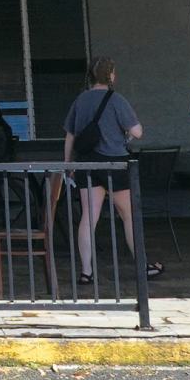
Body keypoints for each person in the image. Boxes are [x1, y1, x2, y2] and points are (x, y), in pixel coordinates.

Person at [62, 57, 163, 283]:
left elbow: (70, 135)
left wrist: (68, 164)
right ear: (111, 76)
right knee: (128, 215)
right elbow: (137, 132)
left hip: (87, 165)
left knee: (88, 218)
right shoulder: (116, 99)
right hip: (115, 164)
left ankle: (86, 272)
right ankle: (141, 266)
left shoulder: (80, 100)